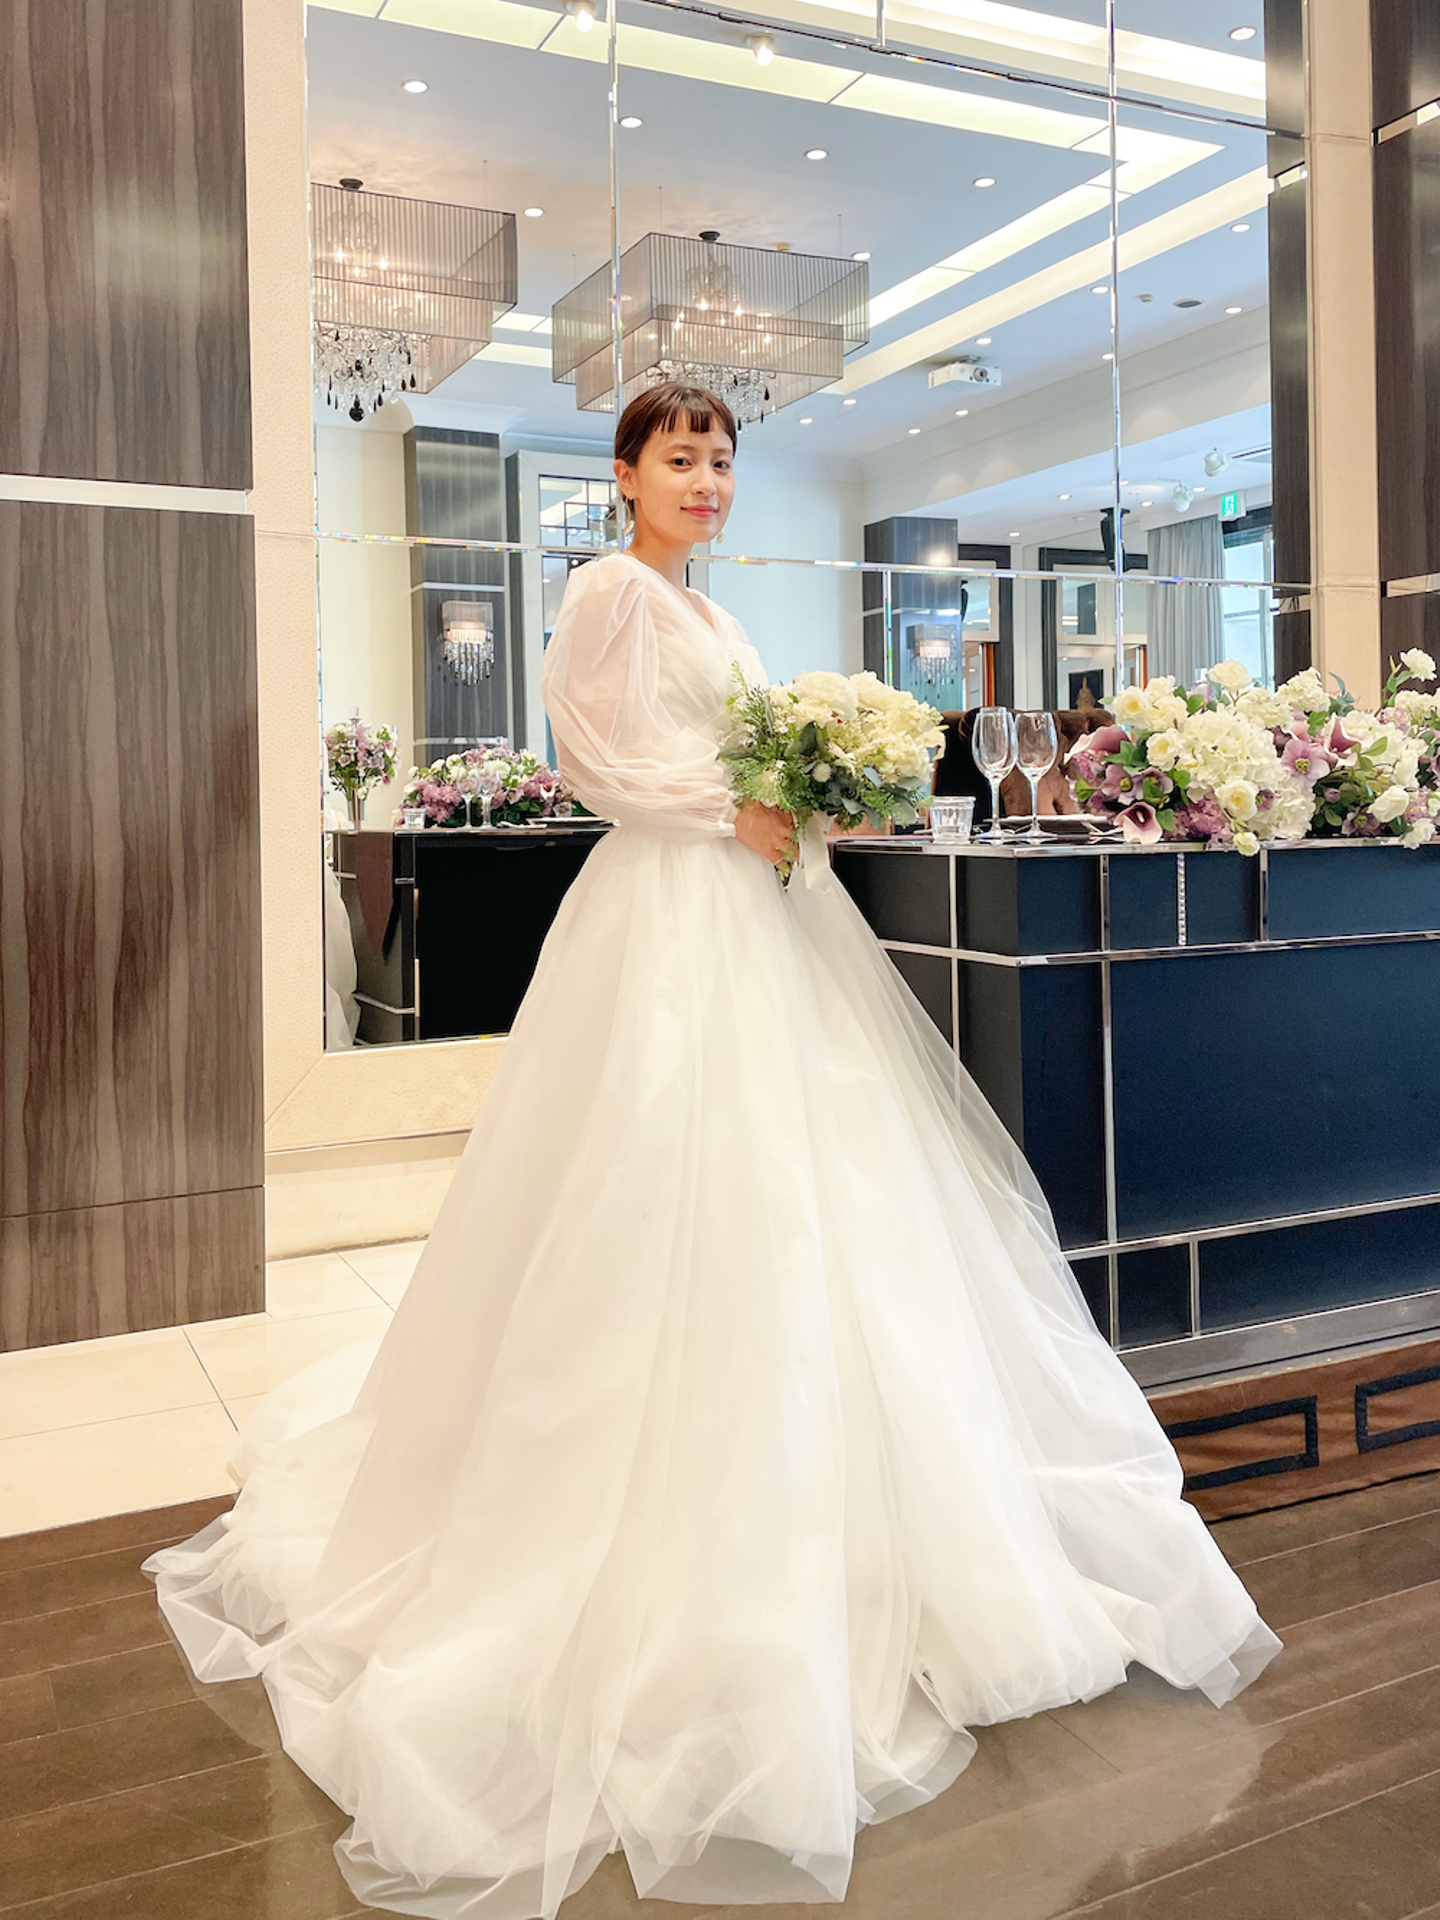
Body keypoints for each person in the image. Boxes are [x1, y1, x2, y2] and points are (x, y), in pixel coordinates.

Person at [146, 383, 1279, 1920]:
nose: (706, 480)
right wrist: (729, 810)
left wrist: (803, 799)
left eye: (724, 460)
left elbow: (726, 762)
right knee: (652, 1186)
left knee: (820, 1200)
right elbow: (592, 764)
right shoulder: (610, 591)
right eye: (680, 458)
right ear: (626, 475)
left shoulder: (711, 611)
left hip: (760, 914)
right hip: (668, 913)